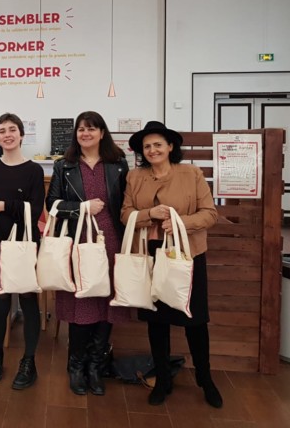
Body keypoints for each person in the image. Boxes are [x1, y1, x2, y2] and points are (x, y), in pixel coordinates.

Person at [121, 121, 222, 409]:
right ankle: (163, 379)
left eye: (157, 145)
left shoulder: (191, 174)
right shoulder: (135, 177)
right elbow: (125, 214)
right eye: (147, 146)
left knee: (195, 320)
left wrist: (179, 223)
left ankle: (205, 378)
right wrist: (148, 213)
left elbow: (210, 214)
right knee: (157, 319)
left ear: (170, 147)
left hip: (186, 254)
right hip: (150, 253)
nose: (152, 150)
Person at [46, 111, 129, 396]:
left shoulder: (118, 164)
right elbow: (53, 204)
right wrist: (81, 207)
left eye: (91, 129)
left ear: (102, 133)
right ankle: (76, 366)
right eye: (81, 129)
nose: (85, 133)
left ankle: (96, 366)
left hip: (111, 240)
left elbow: (127, 202)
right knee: (82, 302)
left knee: (107, 303)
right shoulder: (65, 166)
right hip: (78, 240)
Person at [0, 113, 45, 390]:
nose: (7, 135)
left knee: (28, 301)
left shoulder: (34, 170)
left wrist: (5, 205)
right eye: (2, 131)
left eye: (12, 130)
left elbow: (36, 209)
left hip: (28, 244)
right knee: (1, 300)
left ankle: (29, 361)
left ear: (21, 135)